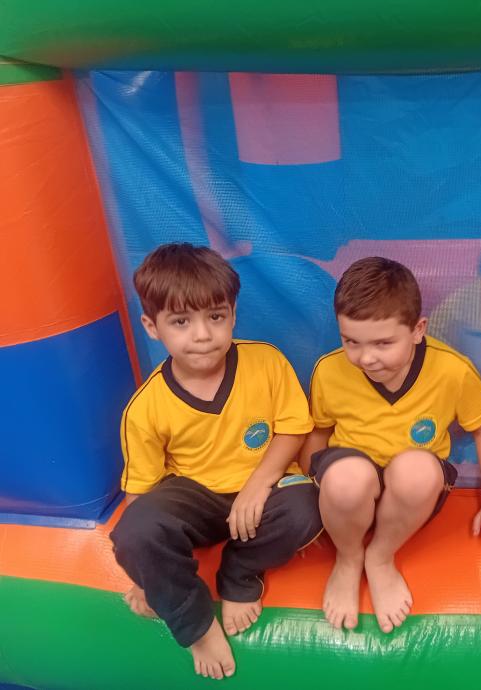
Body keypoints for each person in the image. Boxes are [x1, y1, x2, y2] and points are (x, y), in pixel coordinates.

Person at [110, 243, 322, 680]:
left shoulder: (265, 362)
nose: (203, 335)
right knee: (135, 532)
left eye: (216, 317)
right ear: (152, 327)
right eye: (181, 322)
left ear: (233, 315)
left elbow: (293, 428)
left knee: (309, 505)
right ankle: (197, 628)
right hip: (196, 497)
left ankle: (240, 572)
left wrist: (259, 484)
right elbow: (140, 496)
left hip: (264, 490)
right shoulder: (145, 407)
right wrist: (147, 573)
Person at [303, 256, 481, 633]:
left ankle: (380, 556)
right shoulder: (329, 370)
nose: (366, 358)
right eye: (351, 341)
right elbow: (318, 433)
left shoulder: (451, 370)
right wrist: (312, 488)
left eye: (383, 343)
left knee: (417, 470)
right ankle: (349, 559)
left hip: (412, 490)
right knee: (346, 478)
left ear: (418, 330)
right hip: (350, 476)